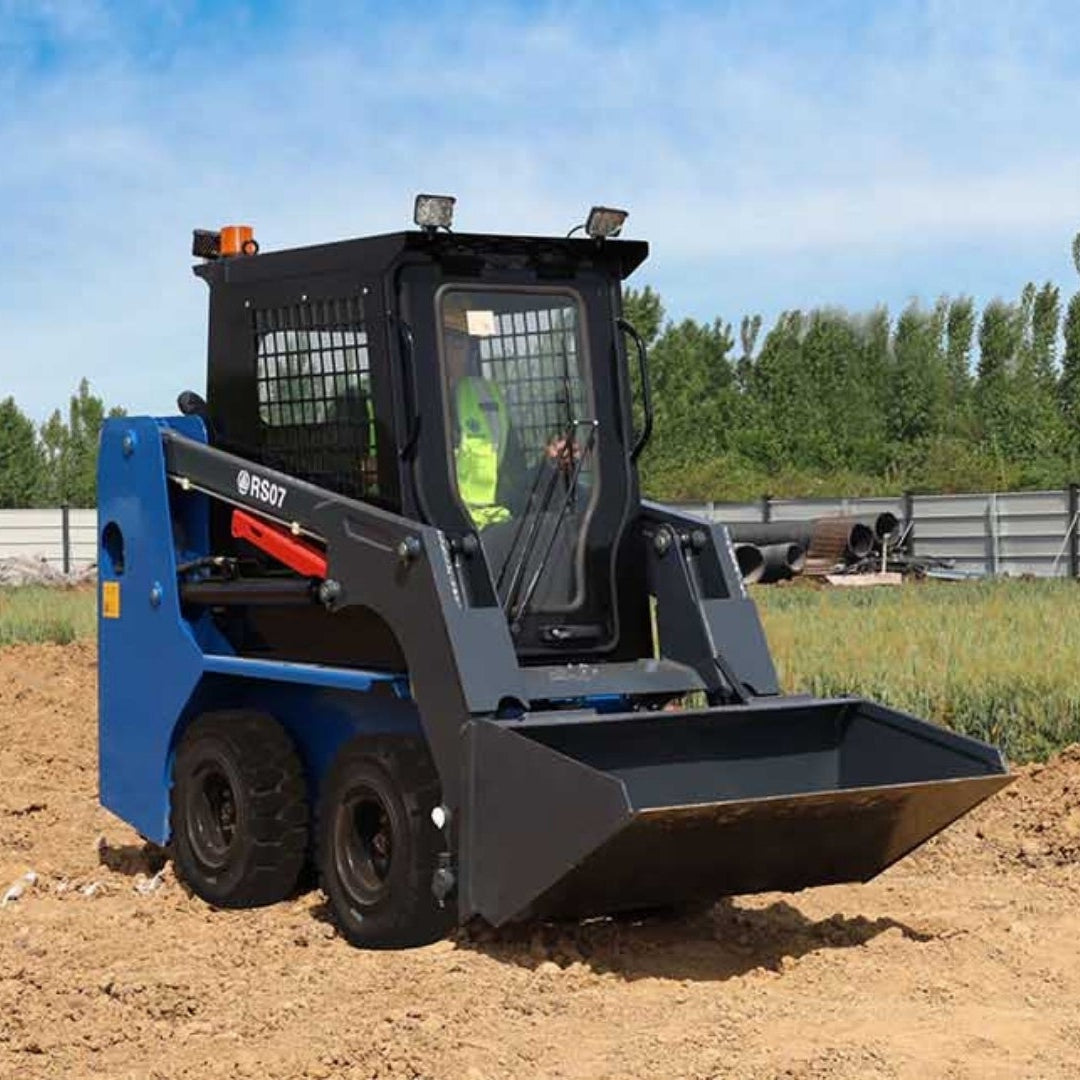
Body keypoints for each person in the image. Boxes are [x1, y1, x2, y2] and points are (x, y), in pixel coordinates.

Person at [442, 301, 528, 529]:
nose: (448, 356)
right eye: (442, 342)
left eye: (458, 345)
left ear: (470, 352)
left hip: (491, 535)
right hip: (435, 531)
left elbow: (516, 480)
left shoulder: (488, 399)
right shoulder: (404, 400)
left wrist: (550, 467)